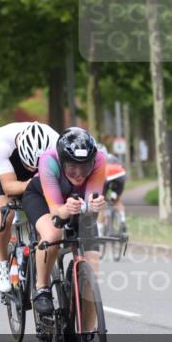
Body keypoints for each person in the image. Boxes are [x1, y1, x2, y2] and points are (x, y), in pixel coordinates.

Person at [21, 127, 106, 321]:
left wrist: (95, 205)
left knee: (92, 262)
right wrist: (66, 210)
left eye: (85, 166)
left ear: (93, 161)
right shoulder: (48, 160)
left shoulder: (100, 160)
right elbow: (56, 211)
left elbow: (91, 206)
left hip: (74, 202)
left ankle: (89, 334)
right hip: (42, 198)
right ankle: (41, 288)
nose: (78, 173)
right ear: (62, 161)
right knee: (52, 236)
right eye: (71, 167)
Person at [0, 122, 58, 293]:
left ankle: (41, 269)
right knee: (4, 217)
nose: (32, 169)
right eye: (30, 165)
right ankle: (2, 261)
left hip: (42, 170)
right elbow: (9, 187)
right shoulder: (1, 142)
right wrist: (34, 182)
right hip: (6, 173)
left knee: (47, 217)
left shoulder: (54, 140)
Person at [97, 150, 127, 237]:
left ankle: (99, 232)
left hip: (107, 178)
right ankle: (122, 220)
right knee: (116, 200)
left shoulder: (101, 158)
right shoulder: (114, 158)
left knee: (101, 204)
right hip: (121, 177)